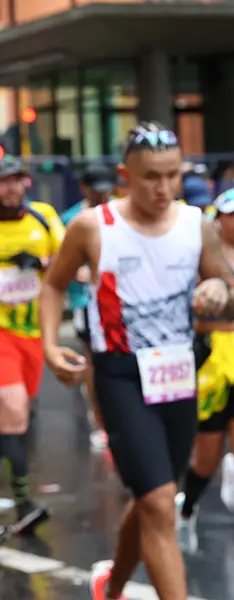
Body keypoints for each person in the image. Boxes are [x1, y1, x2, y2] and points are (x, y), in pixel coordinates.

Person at [39, 121, 234, 600]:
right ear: (126, 174)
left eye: (172, 175)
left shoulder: (197, 224)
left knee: (158, 500)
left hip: (178, 373)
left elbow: (224, 288)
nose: (164, 188)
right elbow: (54, 283)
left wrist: (217, 289)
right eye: (151, 177)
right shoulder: (94, 226)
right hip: (121, 375)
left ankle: (112, 587)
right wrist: (49, 346)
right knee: (158, 502)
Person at [177, 187, 234, 576]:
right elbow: (191, 315)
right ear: (219, 219)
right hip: (213, 364)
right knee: (206, 459)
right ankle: (186, 510)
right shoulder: (206, 264)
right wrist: (223, 302)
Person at [0, 156, 64, 537]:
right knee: (14, 408)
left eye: (16, 180)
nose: (11, 188)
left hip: (34, 334)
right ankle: (23, 503)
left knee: (15, 420)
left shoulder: (42, 217)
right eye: (3, 182)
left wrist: (39, 262)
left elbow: (68, 261)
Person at [60, 164, 117, 452]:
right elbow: (58, 266)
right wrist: (77, 272)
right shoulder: (71, 219)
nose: (103, 195)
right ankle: (101, 420)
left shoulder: (119, 213)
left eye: (107, 189)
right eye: (97, 190)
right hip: (86, 302)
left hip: (119, 303)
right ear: (84, 188)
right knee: (94, 360)